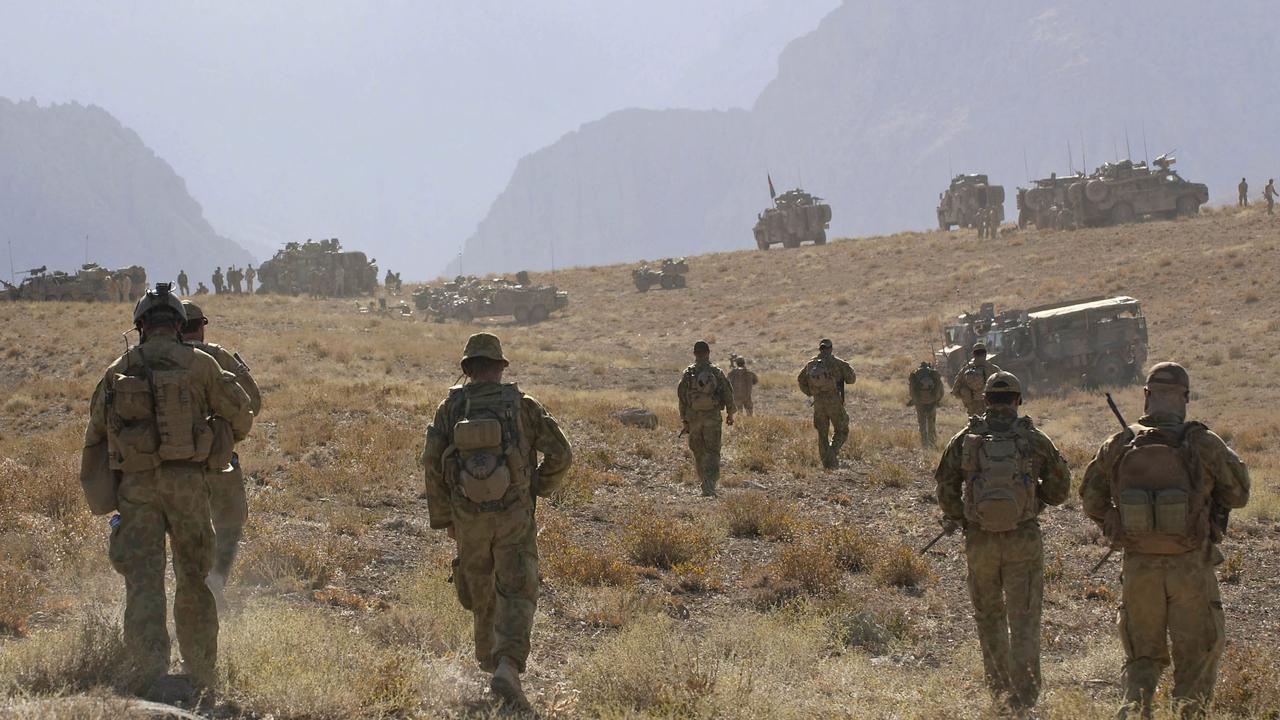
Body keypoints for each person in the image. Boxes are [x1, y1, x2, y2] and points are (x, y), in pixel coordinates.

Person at [80, 283, 252, 694]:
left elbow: (96, 434)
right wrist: (216, 439)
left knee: (143, 580)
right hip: (189, 487)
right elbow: (242, 414)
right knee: (194, 577)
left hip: (137, 491)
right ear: (177, 324)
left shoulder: (117, 369)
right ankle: (201, 672)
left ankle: (146, 669)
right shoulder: (202, 366)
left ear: (141, 326)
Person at [1079, 363, 1250, 718]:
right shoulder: (1202, 442)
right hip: (1191, 568)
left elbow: (1090, 498)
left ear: (1146, 396)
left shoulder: (1120, 442)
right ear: (1185, 398)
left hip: (1139, 567)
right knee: (1195, 662)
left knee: (1142, 662)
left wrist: (1118, 524)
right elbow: (1239, 495)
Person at [420, 333, 572, 709]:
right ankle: (508, 665)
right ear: (500, 368)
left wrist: (445, 519)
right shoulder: (524, 406)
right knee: (517, 588)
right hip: (513, 516)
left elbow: (431, 463)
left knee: (481, 590)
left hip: (468, 519)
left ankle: (490, 664)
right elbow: (562, 454)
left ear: (468, 368)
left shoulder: (450, 408)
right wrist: (537, 487)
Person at [934, 371, 1071, 713]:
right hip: (1023, 539)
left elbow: (945, 487)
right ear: (1017, 400)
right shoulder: (1034, 438)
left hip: (980, 540)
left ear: (986, 400)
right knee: (1024, 616)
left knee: (989, 615)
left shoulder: (966, 437)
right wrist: (1031, 500)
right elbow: (1060, 490)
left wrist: (966, 518)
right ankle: (1025, 695)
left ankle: (999, 693)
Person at [180, 300, 262, 611]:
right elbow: (251, 403)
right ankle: (214, 579)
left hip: (165, 469)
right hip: (217, 462)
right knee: (229, 524)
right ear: (200, 326)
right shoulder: (215, 356)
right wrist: (228, 437)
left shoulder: (154, 359)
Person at [678, 340, 735, 495]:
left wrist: (685, 420)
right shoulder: (716, 372)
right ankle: (709, 484)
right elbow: (727, 394)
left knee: (698, 451)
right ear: (708, 353)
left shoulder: (688, 373)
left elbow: (682, 397)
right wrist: (730, 413)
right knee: (712, 450)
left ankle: (704, 481)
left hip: (694, 418)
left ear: (695, 354)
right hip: (712, 417)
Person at [797, 338, 856, 469]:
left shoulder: (810, 364)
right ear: (831, 349)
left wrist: (811, 393)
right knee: (842, 430)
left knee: (822, 433)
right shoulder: (837, 363)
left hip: (818, 403)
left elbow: (800, 380)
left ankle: (827, 463)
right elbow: (851, 379)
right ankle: (832, 454)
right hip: (834, 402)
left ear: (820, 349)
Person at [952, 342, 1002, 416]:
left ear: (973, 354)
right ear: (985, 354)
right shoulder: (993, 369)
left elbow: (955, 390)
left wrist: (968, 398)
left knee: (974, 425)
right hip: (989, 404)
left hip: (972, 406)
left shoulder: (966, 369)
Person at [908, 361, 945, 447]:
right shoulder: (933, 375)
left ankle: (924, 443)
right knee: (931, 423)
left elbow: (911, 391)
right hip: (932, 402)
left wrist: (915, 400)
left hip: (920, 403)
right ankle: (932, 443)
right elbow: (941, 391)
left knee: (922, 423)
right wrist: (937, 400)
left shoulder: (916, 375)